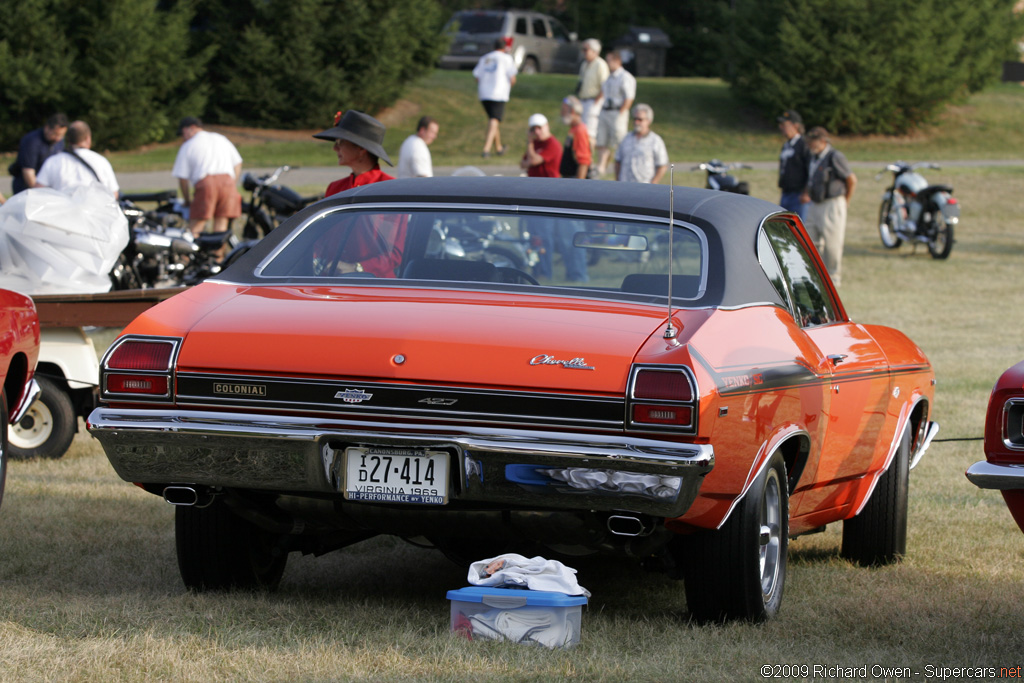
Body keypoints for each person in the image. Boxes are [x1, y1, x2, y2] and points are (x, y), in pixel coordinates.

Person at [313, 110, 404, 277]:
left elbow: (394, 253)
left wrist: (357, 267)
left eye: (340, 142)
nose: (335, 148)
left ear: (361, 149)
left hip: (373, 285)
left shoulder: (391, 189)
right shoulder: (335, 188)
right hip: (331, 280)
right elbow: (321, 240)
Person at [800, 126, 856, 287]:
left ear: (823, 141)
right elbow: (811, 179)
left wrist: (846, 201)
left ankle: (833, 278)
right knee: (810, 239)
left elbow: (851, 179)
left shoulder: (835, 156)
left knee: (832, 243)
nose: (810, 144)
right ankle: (814, 275)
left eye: (814, 141)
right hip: (815, 203)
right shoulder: (813, 157)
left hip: (832, 202)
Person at [172, 116, 243, 237]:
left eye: (182, 133)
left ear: (191, 128)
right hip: (228, 183)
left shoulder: (188, 145)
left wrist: (187, 200)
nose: (182, 137)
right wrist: (232, 182)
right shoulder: (220, 138)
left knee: (197, 224)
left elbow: (182, 178)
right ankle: (218, 255)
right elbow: (237, 163)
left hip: (206, 184)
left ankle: (189, 254)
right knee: (221, 223)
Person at [36, 120, 119, 197]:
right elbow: (113, 194)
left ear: (68, 139)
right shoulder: (101, 161)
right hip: (95, 211)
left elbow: (38, 191)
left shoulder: (53, 161)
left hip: (63, 212)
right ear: (88, 138)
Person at [473, 37, 518, 158]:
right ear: (504, 47)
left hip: (484, 93)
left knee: (493, 120)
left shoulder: (485, 58)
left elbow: (477, 76)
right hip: (498, 93)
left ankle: (498, 148)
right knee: (494, 120)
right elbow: (512, 78)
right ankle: (486, 149)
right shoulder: (506, 58)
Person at [595, 51, 636, 177]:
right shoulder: (608, 77)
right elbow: (603, 92)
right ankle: (601, 167)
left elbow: (629, 98)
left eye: (609, 61)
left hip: (617, 112)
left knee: (619, 140)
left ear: (617, 61)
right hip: (605, 111)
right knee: (602, 140)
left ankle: (621, 165)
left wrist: (621, 113)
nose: (607, 63)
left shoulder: (625, 77)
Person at [9, 113, 69, 195]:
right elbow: (28, 173)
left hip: (48, 190)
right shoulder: (32, 141)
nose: (58, 138)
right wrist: (40, 195)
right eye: (56, 134)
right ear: (47, 128)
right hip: (26, 190)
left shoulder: (59, 142)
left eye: (62, 135)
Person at [615, 103, 668, 184]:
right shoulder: (626, 138)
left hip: (644, 187)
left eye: (640, 119)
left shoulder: (655, 141)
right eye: (635, 119)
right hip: (625, 186)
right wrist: (618, 181)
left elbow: (662, 165)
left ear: (648, 121)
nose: (636, 122)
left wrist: (653, 184)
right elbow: (618, 161)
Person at [777, 110, 809, 219]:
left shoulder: (803, 144)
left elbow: (810, 169)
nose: (781, 127)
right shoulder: (786, 145)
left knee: (797, 228)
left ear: (795, 125)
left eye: (785, 125)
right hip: (786, 192)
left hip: (798, 194)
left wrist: (806, 192)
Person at [576, 39, 609, 145]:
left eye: (586, 49)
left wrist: (596, 103)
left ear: (595, 51)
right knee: (581, 130)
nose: (583, 52)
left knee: (590, 132)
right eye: (583, 49)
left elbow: (605, 86)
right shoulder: (585, 64)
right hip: (583, 101)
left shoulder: (600, 64)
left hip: (593, 101)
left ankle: (588, 157)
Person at [520, 113, 562, 178]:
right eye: (533, 129)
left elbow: (533, 161)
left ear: (547, 126)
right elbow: (522, 164)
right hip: (535, 182)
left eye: (539, 128)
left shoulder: (552, 143)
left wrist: (530, 142)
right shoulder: (535, 142)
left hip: (548, 183)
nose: (536, 131)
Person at [559, 96, 591, 180]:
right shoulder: (574, 130)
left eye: (563, 110)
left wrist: (578, 187)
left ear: (572, 111)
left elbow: (583, 162)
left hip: (573, 182)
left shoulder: (579, 131)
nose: (561, 113)